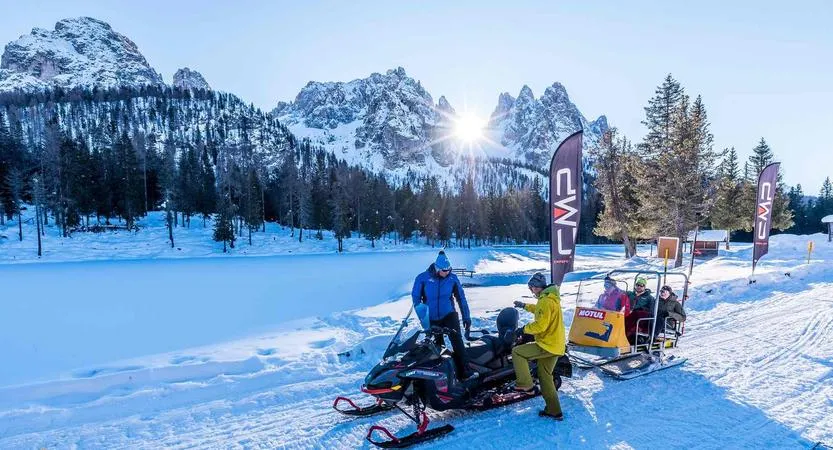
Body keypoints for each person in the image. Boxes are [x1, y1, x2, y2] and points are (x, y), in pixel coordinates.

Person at [411, 250, 476, 381]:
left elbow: (461, 298)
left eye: (449, 270)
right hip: (431, 317)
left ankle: (466, 371)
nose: (447, 273)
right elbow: (416, 299)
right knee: (436, 347)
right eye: (444, 270)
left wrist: (466, 317)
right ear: (437, 268)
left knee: (457, 342)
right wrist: (424, 319)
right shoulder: (422, 278)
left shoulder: (452, 278)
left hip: (449, 315)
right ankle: (441, 377)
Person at [511, 272, 566, 421]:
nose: (531, 290)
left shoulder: (545, 300)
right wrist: (524, 305)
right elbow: (539, 310)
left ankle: (526, 384)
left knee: (517, 352)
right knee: (545, 377)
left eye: (531, 288)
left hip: (548, 345)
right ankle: (554, 411)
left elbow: (540, 325)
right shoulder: (551, 298)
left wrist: (523, 329)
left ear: (536, 287)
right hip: (557, 345)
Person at [625, 278, 656, 343]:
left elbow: (651, 310)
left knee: (634, 316)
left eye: (641, 285)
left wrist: (641, 309)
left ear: (644, 287)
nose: (639, 287)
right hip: (627, 312)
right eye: (637, 285)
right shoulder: (630, 294)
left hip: (639, 315)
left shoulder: (649, 297)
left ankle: (627, 336)